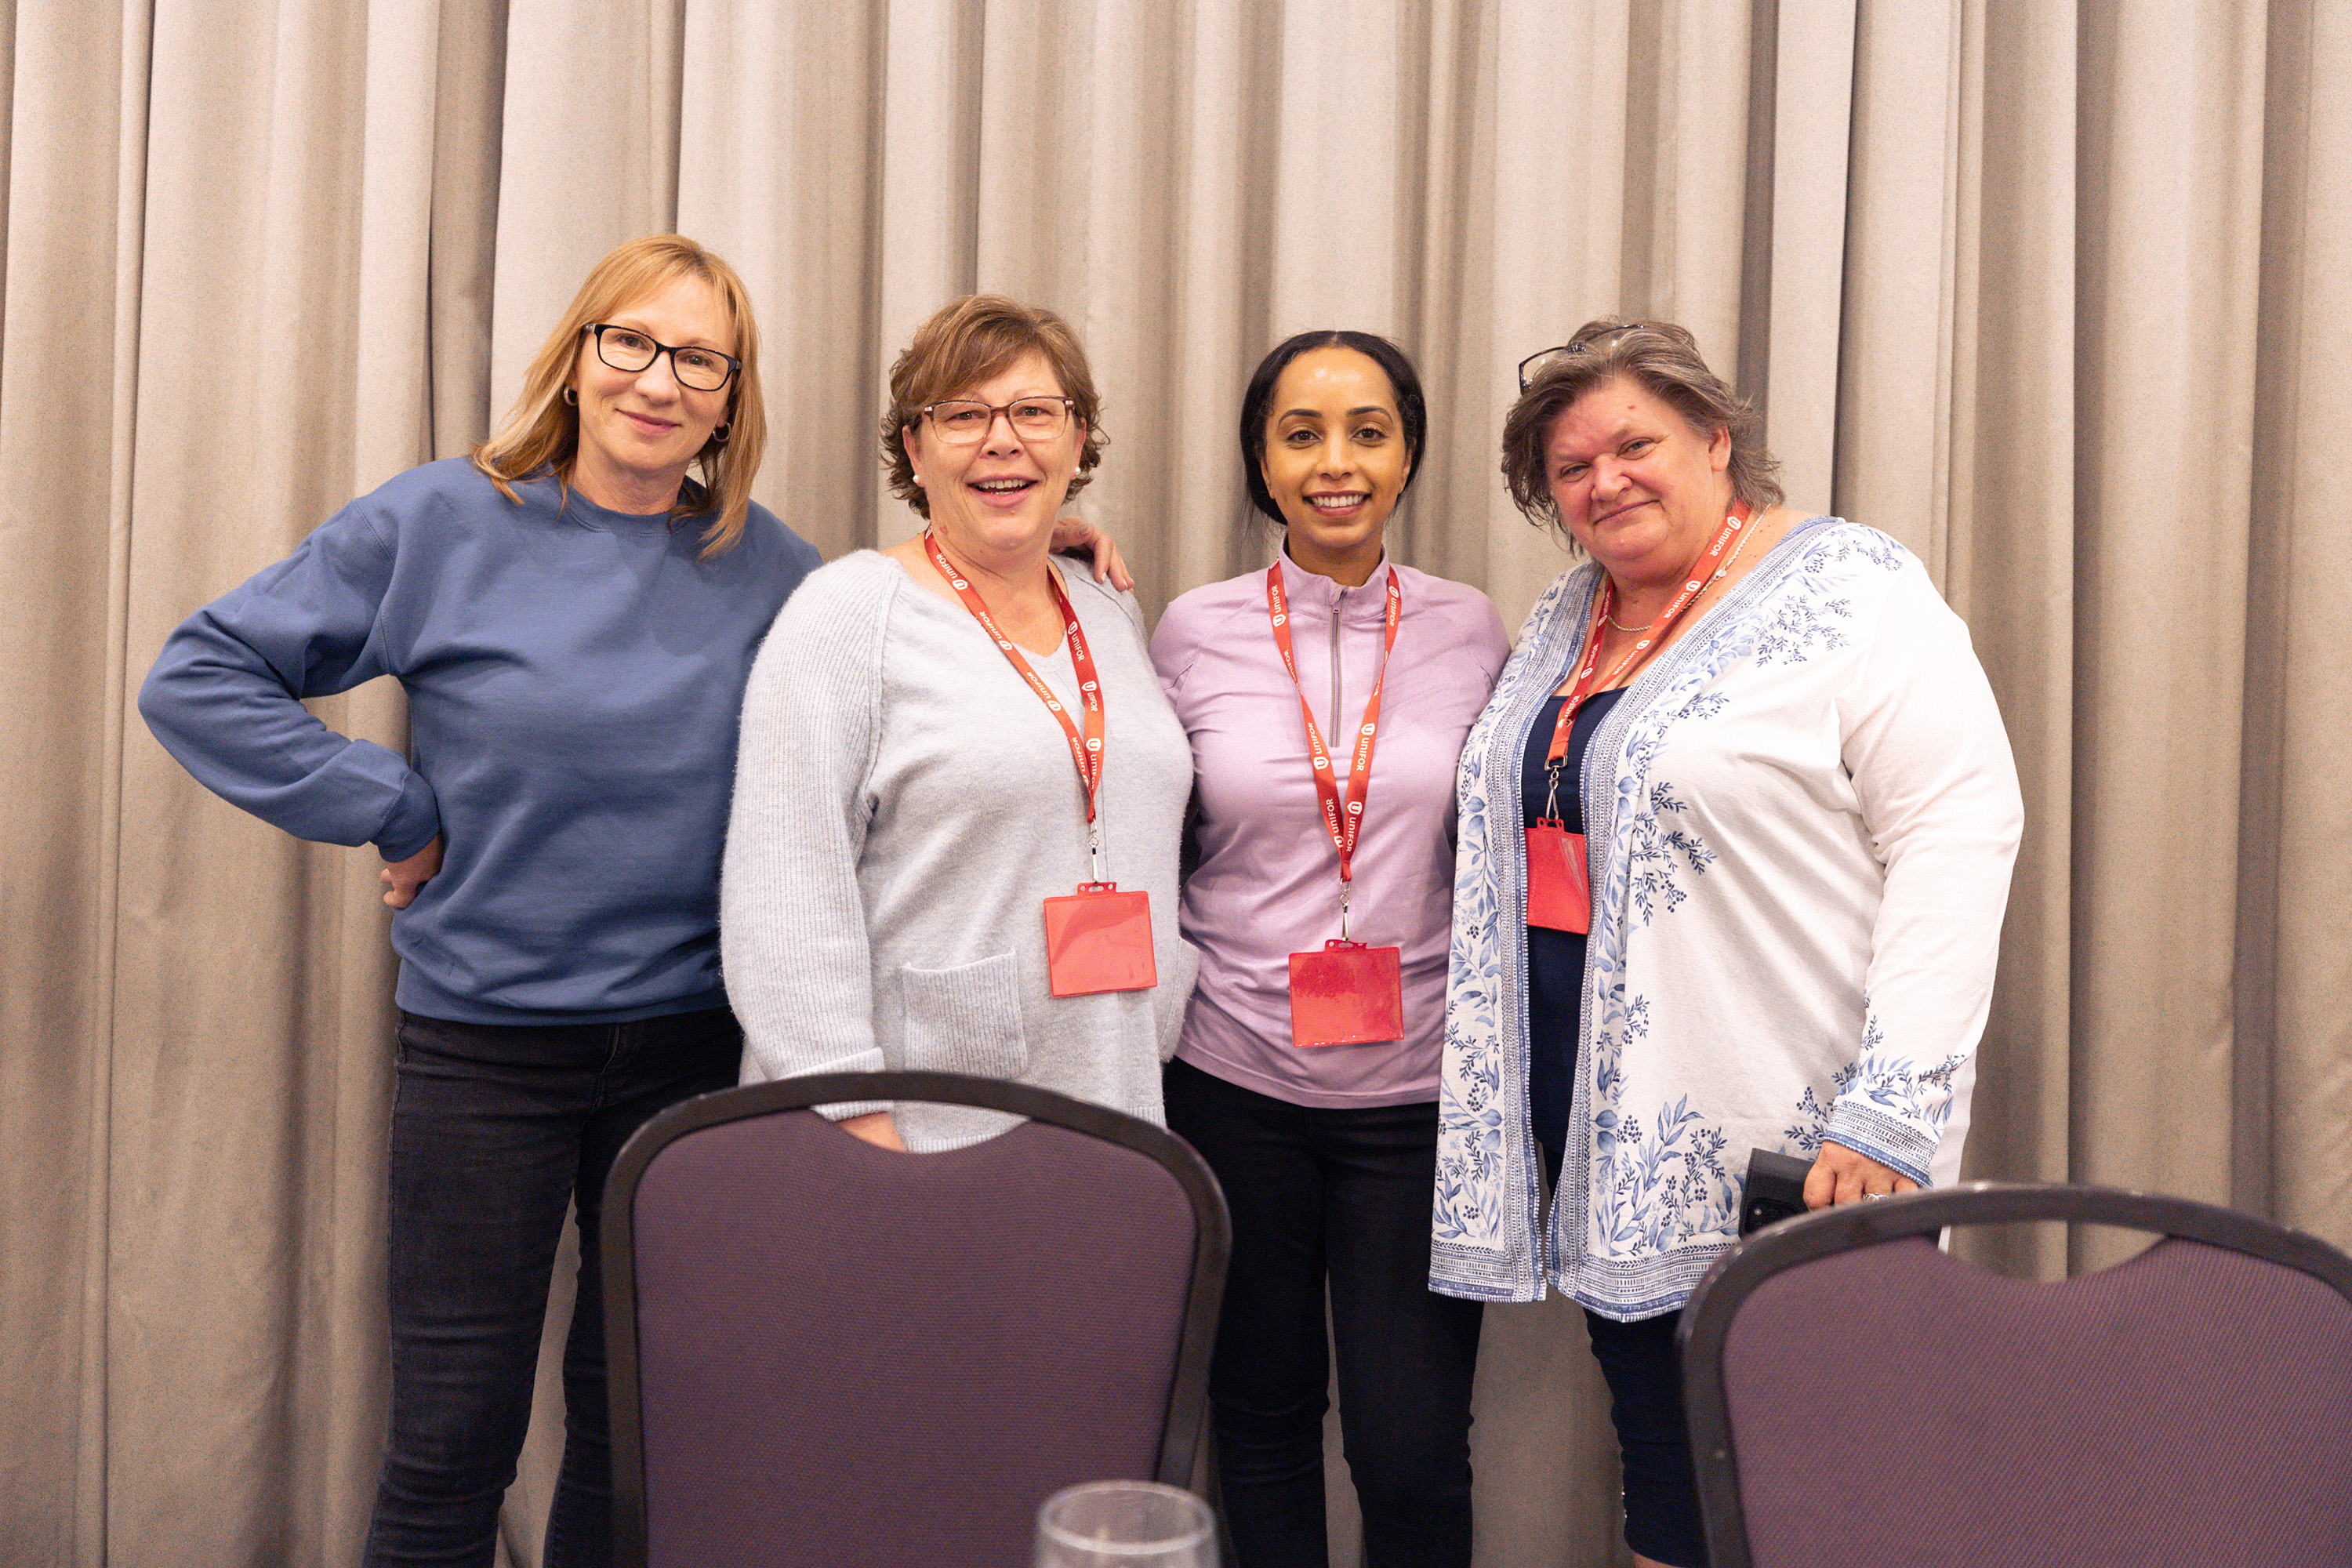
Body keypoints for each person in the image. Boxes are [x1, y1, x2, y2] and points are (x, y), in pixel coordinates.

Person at [136, 236, 818, 1566]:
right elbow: (199, 673)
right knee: (452, 1446)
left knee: (637, 1446)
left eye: (699, 359)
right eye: (631, 341)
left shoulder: (772, 568)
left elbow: (923, 646)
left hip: (689, 1055)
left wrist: (1066, 564)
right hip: (485, 1055)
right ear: (576, 354)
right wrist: (388, 803)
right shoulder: (447, 520)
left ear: (733, 400)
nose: (660, 380)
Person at [1428, 321, 2023, 1568]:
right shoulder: (1569, 614)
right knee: (1667, 1459)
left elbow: (1959, 833)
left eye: (1634, 444)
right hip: (1607, 1126)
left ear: (1716, 437)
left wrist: (1894, 1109)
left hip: (1796, 1135)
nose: (1606, 483)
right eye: (1572, 469)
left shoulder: (1854, 591)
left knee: (1807, 1474)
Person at [1149, 332, 1510, 1567]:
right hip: (1229, 1081)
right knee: (1257, 1418)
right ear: (1261, 459)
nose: (1336, 461)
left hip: (1417, 1099)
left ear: (1408, 452)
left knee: (1410, 1448)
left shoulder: (1474, 630)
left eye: (1368, 429)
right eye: (1301, 432)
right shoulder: (1191, 631)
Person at [719, 295, 1193, 1151]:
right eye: (963, 415)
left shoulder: (1107, 607)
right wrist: (853, 1115)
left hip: (1112, 1101)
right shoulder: (846, 614)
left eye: (1034, 413)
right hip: (916, 1119)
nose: (1002, 439)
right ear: (915, 446)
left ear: (1078, 438)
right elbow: (782, 895)